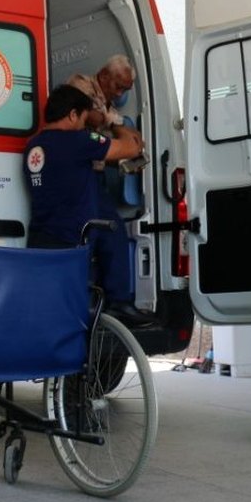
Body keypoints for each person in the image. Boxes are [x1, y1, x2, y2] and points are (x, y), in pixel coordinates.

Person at [23, 84, 145, 325]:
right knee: (75, 318)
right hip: (74, 241)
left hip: (42, 239)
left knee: (51, 316)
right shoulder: (79, 140)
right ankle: (119, 305)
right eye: (84, 120)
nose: (86, 126)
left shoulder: (33, 147)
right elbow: (132, 146)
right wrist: (113, 121)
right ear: (72, 115)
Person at [67, 56, 151, 325]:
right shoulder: (81, 84)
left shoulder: (109, 104)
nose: (121, 93)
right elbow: (89, 118)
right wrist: (115, 124)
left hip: (96, 177)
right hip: (76, 173)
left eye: (126, 89)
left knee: (111, 232)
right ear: (103, 76)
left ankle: (117, 302)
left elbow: (131, 138)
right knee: (86, 237)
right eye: (119, 86)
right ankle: (86, 303)